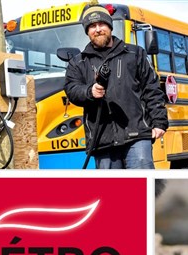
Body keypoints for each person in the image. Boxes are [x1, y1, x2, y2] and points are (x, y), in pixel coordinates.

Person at [64, 5, 168, 169]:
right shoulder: (78, 62)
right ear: (87, 31)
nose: (97, 29)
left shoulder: (135, 54)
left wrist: (159, 121)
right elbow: (71, 90)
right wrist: (90, 91)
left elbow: (152, 89)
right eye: (92, 26)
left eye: (101, 24)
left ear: (110, 26)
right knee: (112, 192)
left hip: (137, 133)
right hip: (102, 139)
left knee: (143, 185)